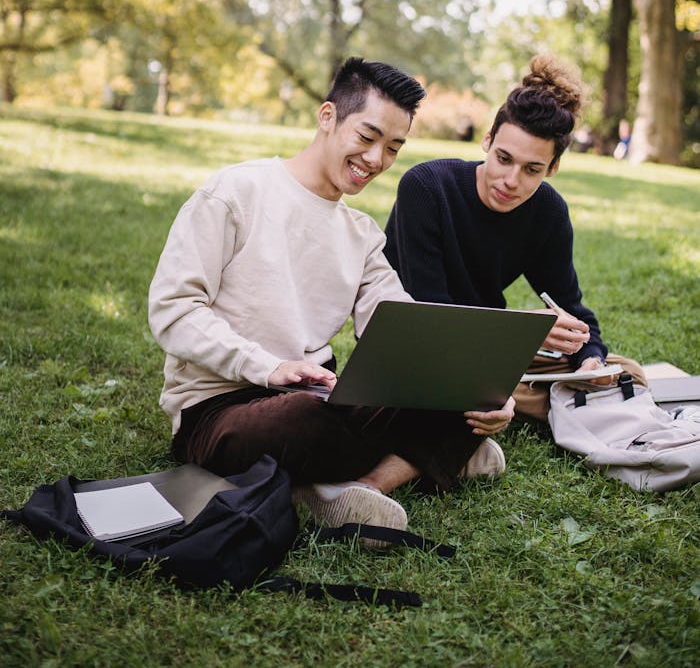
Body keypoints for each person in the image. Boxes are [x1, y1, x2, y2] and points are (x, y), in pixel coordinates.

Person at [149, 57, 512, 537]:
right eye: (367, 137)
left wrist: (481, 389)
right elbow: (173, 311)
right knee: (305, 419)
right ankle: (423, 458)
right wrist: (266, 367)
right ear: (327, 117)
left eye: (393, 148)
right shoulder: (235, 192)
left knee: (450, 397)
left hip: (318, 393)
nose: (376, 160)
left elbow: (403, 328)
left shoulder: (360, 234)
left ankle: (358, 489)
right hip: (220, 408)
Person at [384, 54, 645, 423]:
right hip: (416, 346)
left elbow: (570, 309)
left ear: (552, 168)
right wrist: (526, 331)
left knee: (627, 372)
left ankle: (510, 396)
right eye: (504, 158)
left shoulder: (549, 213)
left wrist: (589, 358)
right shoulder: (426, 188)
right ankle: (521, 400)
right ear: (488, 141)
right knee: (447, 382)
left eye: (532, 169)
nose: (511, 180)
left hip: (488, 351)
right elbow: (432, 318)